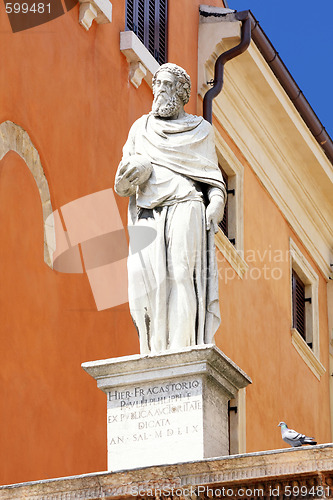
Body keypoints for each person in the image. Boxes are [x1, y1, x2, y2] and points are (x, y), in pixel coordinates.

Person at [115, 63, 226, 354]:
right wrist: (127, 181)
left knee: (180, 273)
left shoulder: (201, 130)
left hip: (186, 202)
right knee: (144, 281)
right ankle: (153, 348)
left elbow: (213, 178)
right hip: (147, 208)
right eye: (157, 86)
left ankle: (181, 348)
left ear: (181, 92)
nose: (159, 92)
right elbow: (123, 178)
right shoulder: (141, 128)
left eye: (165, 86)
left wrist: (216, 203)